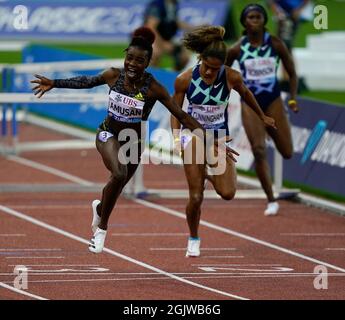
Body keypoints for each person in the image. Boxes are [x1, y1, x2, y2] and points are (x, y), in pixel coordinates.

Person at [31, 27, 222, 254]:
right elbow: (86, 81)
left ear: (147, 63)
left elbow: (181, 115)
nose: (132, 64)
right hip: (107, 134)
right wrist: (55, 83)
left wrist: (209, 140)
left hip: (133, 143)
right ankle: (101, 231)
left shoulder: (154, 89)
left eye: (139, 61)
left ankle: (100, 208)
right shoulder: (113, 75)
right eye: (129, 58)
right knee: (119, 174)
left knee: (117, 186)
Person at [171, 25, 276, 257]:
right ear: (200, 59)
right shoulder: (184, 79)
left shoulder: (231, 77)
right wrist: (177, 138)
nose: (210, 73)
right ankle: (193, 237)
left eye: (215, 69)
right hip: (195, 136)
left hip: (219, 138)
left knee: (228, 193)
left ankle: (205, 173)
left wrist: (262, 116)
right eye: (207, 67)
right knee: (196, 196)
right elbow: (175, 111)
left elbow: (247, 94)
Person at [226, 4, 299, 216]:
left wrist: (293, 98)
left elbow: (292, 74)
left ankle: (268, 134)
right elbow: (224, 74)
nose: (255, 20)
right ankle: (271, 199)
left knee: (286, 152)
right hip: (251, 103)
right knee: (258, 150)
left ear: (264, 20)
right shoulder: (237, 49)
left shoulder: (275, 44)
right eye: (251, 17)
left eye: (259, 16)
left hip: (273, 100)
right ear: (244, 22)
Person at [143, 0, 194, 71]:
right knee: (155, 53)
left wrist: (195, 28)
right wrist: (162, 44)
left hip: (168, 39)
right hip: (153, 38)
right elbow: (151, 27)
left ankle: (172, 78)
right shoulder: (157, 5)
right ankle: (151, 78)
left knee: (184, 57)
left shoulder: (174, 5)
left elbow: (175, 22)